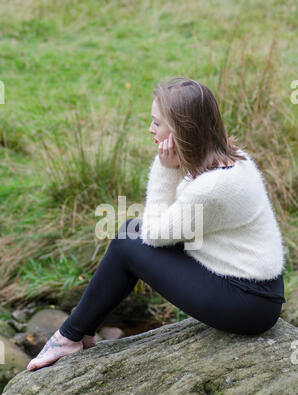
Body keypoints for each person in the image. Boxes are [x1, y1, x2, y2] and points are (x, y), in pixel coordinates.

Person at [27, 77, 286, 371]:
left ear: (180, 131)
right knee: (130, 233)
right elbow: (169, 226)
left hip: (247, 302)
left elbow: (152, 234)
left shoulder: (212, 188)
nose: (151, 129)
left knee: (128, 240)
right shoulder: (234, 160)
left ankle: (69, 336)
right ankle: (81, 330)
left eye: (156, 122)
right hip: (252, 286)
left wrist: (165, 170)